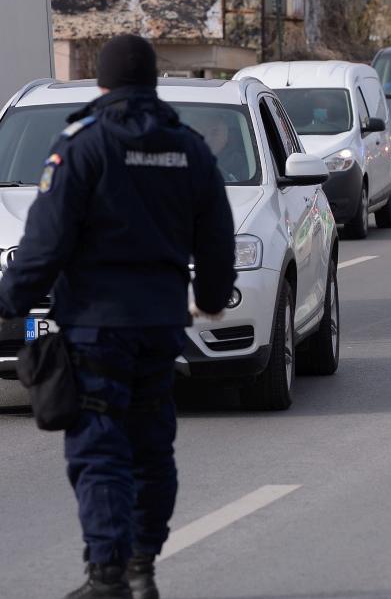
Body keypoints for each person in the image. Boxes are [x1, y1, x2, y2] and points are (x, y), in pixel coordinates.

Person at [0, 35, 236, 599]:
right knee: (151, 446)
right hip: (159, 326)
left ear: (102, 83)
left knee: (100, 447)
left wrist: (9, 301)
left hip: (96, 326)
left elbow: (45, 243)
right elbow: (218, 235)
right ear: (154, 82)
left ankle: (107, 577)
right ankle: (142, 568)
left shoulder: (83, 144)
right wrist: (210, 294)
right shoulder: (189, 147)